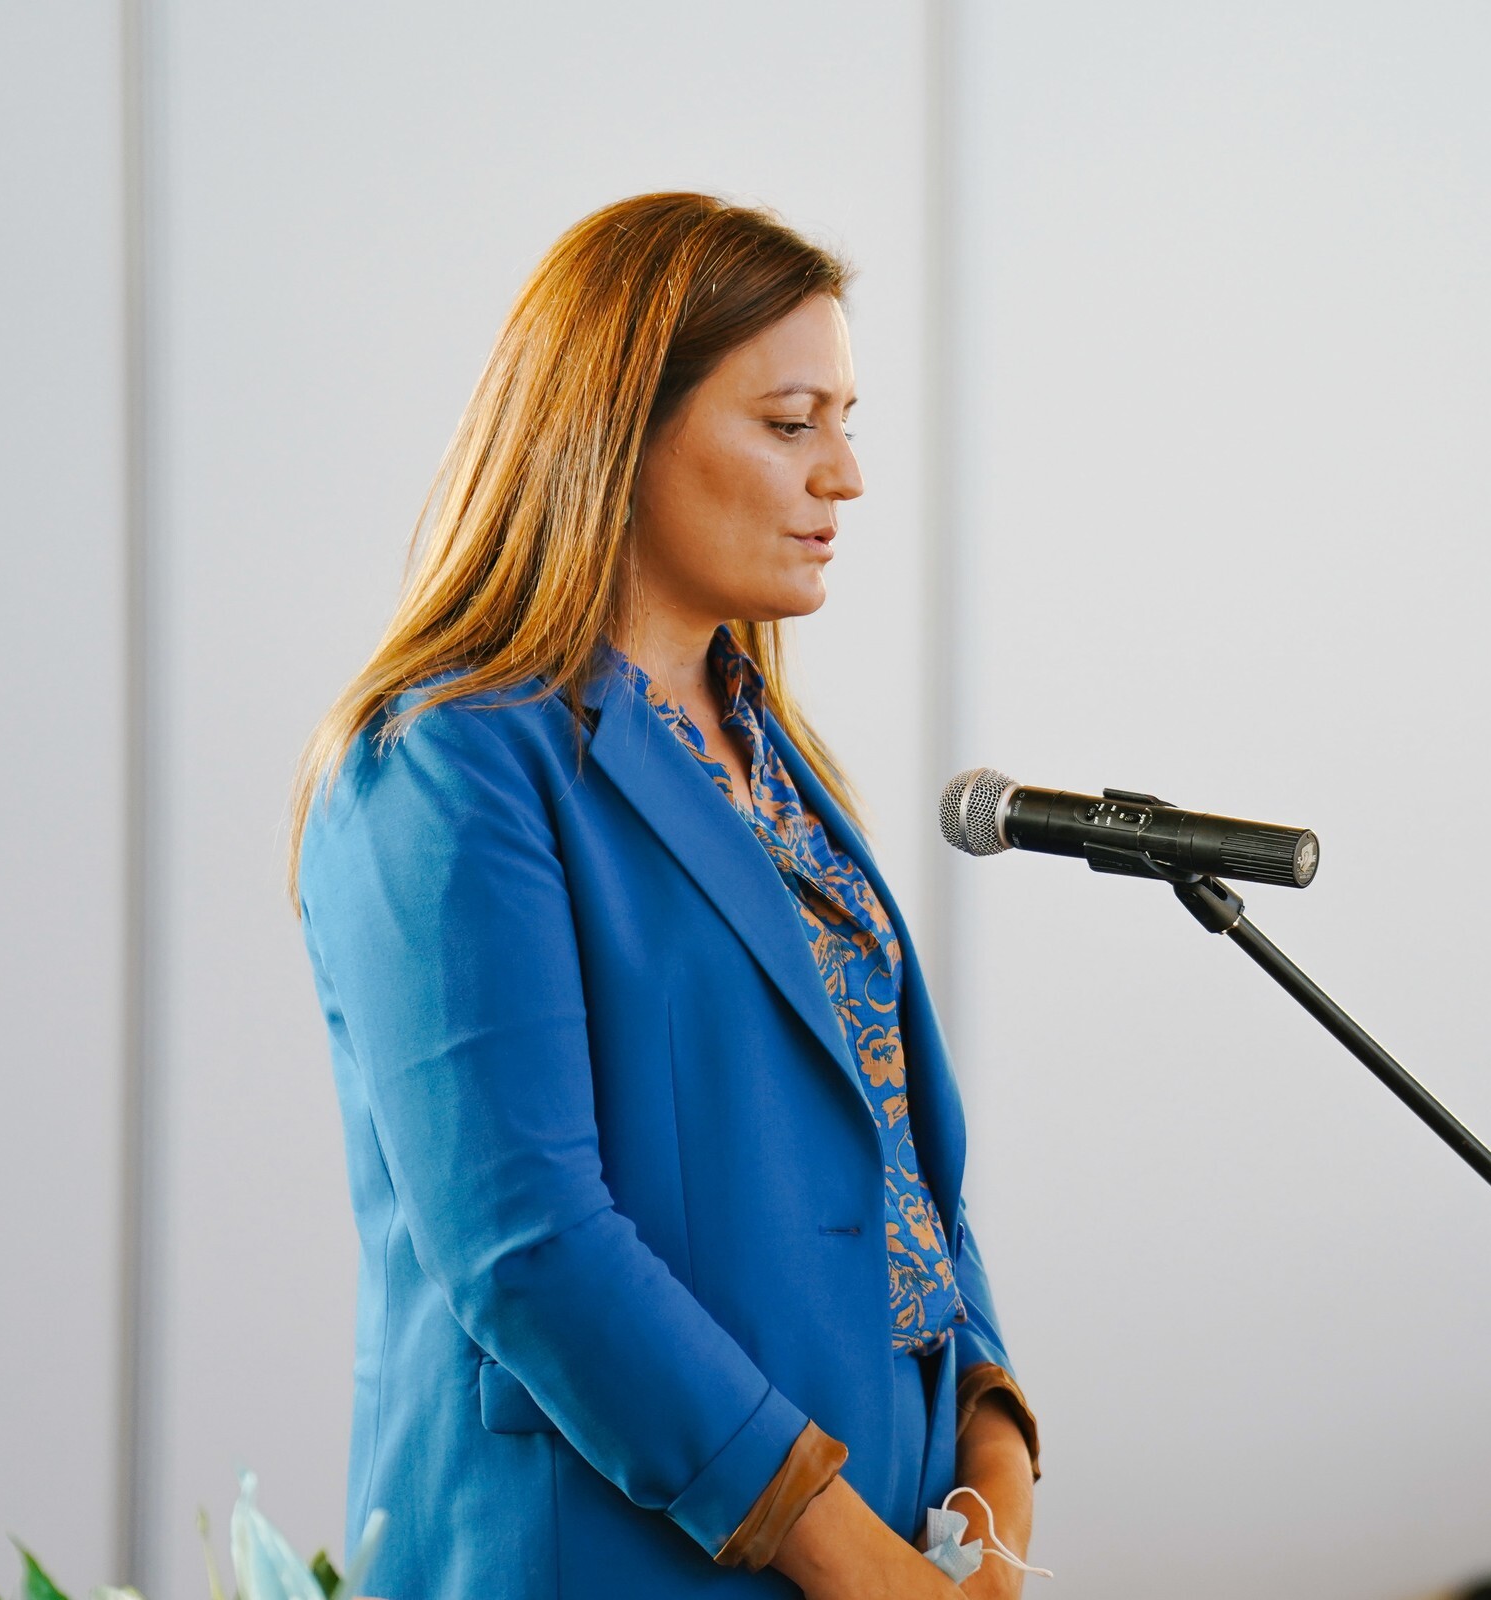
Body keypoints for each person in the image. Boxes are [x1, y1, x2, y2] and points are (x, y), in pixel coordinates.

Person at [291, 194, 1038, 1600]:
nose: (846, 476)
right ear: (617, 433)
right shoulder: (447, 764)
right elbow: (530, 1245)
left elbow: (892, 1164)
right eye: (792, 422)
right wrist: (856, 1564)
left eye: (847, 421)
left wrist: (994, 1469)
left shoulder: (779, 763)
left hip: (890, 1545)